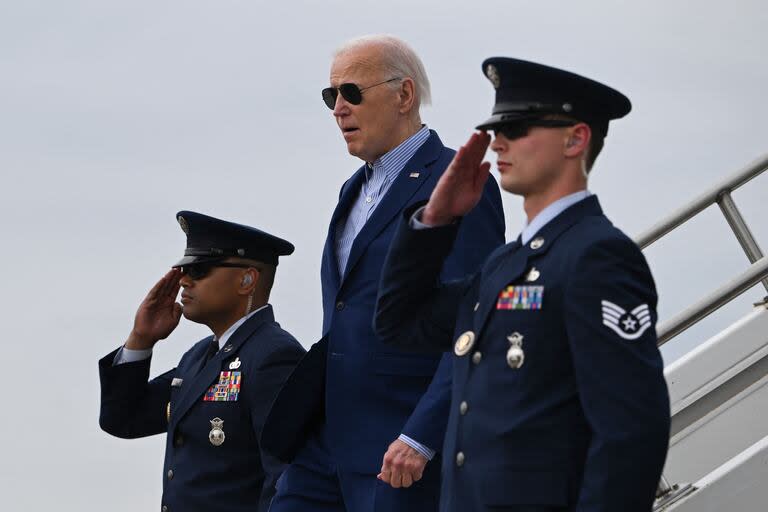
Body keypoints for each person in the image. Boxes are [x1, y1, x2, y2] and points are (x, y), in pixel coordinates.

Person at [374, 57, 671, 512]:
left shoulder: (597, 257)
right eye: (497, 129)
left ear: (576, 138)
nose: (499, 142)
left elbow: (630, 433)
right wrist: (435, 222)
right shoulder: (504, 264)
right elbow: (398, 322)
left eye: (519, 127)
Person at [261, 36, 505, 511]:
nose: (338, 109)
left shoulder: (454, 182)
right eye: (330, 96)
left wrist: (422, 434)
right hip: (325, 443)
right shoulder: (351, 191)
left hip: (398, 449)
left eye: (351, 92)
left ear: (404, 95)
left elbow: (475, 321)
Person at [98, 211, 305, 512]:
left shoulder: (273, 356)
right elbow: (123, 419)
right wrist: (141, 339)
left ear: (247, 279)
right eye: (185, 271)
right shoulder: (198, 357)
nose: (184, 281)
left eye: (200, 270)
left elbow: (285, 477)